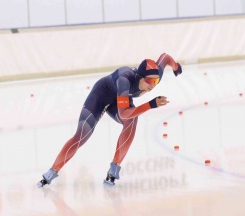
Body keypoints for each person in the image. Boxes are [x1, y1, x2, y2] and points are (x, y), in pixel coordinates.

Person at [37, 53, 183, 188]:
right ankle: (52, 171)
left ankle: (114, 168)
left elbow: (165, 57)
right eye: (150, 80)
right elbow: (124, 113)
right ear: (139, 77)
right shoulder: (125, 80)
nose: (153, 84)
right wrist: (150, 105)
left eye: (156, 81)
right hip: (101, 96)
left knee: (133, 120)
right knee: (81, 136)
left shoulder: (155, 74)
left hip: (120, 99)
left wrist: (176, 66)